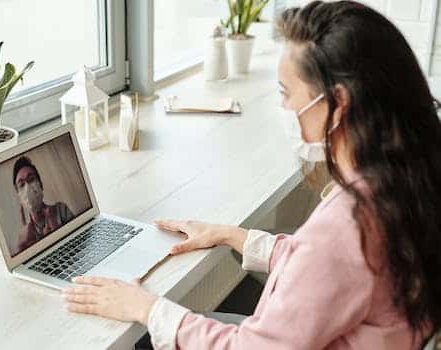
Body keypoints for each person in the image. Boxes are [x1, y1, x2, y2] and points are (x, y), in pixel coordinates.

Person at [61, 1, 441, 349]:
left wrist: (146, 308)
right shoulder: (406, 179)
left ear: (337, 104)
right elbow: (331, 272)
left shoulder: (349, 223)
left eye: (287, 91)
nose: (283, 106)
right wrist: (233, 236)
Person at [13, 156, 74, 253]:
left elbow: (78, 245)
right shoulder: (25, 236)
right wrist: (23, 252)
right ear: (19, 197)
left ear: (40, 184)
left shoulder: (61, 210)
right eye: (21, 185)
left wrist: (56, 231)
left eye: (31, 179)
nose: (28, 188)